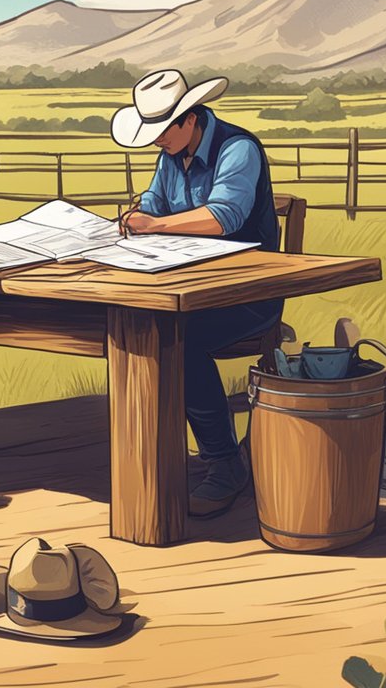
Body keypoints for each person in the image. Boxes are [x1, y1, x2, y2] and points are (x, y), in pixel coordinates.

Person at [111, 68, 281, 519]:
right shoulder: (171, 155)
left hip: (248, 292)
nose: (156, 141)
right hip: (191, 283)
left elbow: (223, 216)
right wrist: (138, 216)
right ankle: (155, 455)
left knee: (179, 342)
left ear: (189, 119)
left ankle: (224, 463)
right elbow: (154, 202)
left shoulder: (238, 148)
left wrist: (156, 225)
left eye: (162, 129)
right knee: (141, 328)